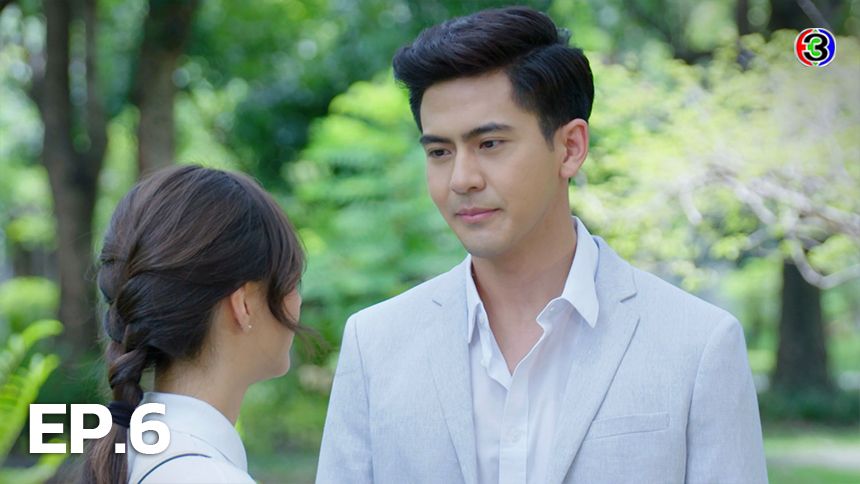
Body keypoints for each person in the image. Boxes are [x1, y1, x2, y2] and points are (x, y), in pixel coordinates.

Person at [317, 6, 767, 484]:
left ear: (570, 148)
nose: (461, 179)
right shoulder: (376, 343)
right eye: (440, 152)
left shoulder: (698, 344)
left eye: (490, 144)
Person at [81, 165, 305, 484]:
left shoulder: (130, 456)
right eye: (293, 281)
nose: (298, 302)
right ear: (244, 304)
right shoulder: (210, 476)